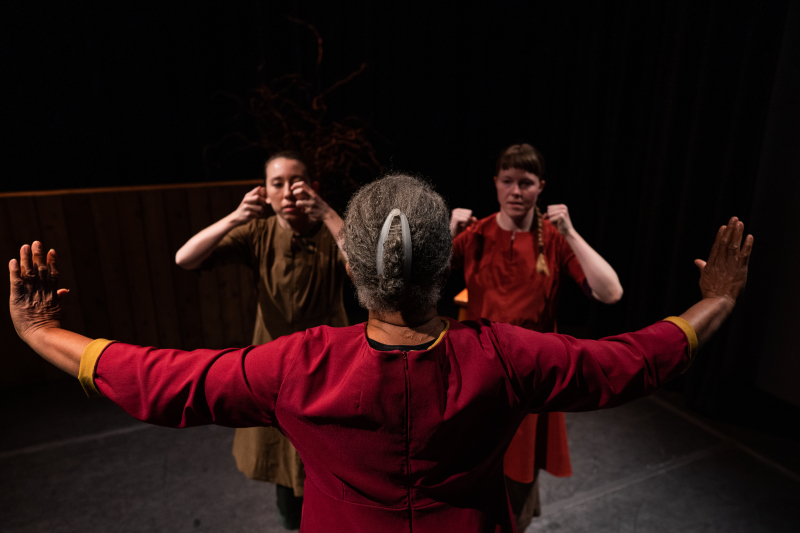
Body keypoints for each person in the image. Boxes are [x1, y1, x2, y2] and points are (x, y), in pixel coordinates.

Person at [9, 174, 752, 533]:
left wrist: (42, 332)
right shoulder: (509, 356)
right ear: (450, 268)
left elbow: (159, 380)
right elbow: (636, 358)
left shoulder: (298, 364)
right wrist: (715, 299)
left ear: (354, 272)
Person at [450, 144, 624, 529]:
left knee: (517, 478)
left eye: (525, 183)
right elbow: (418, 286)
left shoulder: (555, 239)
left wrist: (571, 232)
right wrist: (449, 232)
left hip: (530, 377)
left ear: (540, 187)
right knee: (471, 470)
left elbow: (611, 293)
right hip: (480, 375)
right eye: (508, 181)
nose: (516, 191)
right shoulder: (474, 235)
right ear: (495, 184)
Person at [174, 151, 348, 529]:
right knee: (284, 457)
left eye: (296, 182)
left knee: (331, 457)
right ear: (264, 192)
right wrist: (237, 216)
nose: (287, 192)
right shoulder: (259, 233)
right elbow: (184, 258)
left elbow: (366, 268)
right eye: (277, 183)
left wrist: (329, 214)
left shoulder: (330, 230)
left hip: (327, 360)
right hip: (276, 363)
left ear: (313, 187)